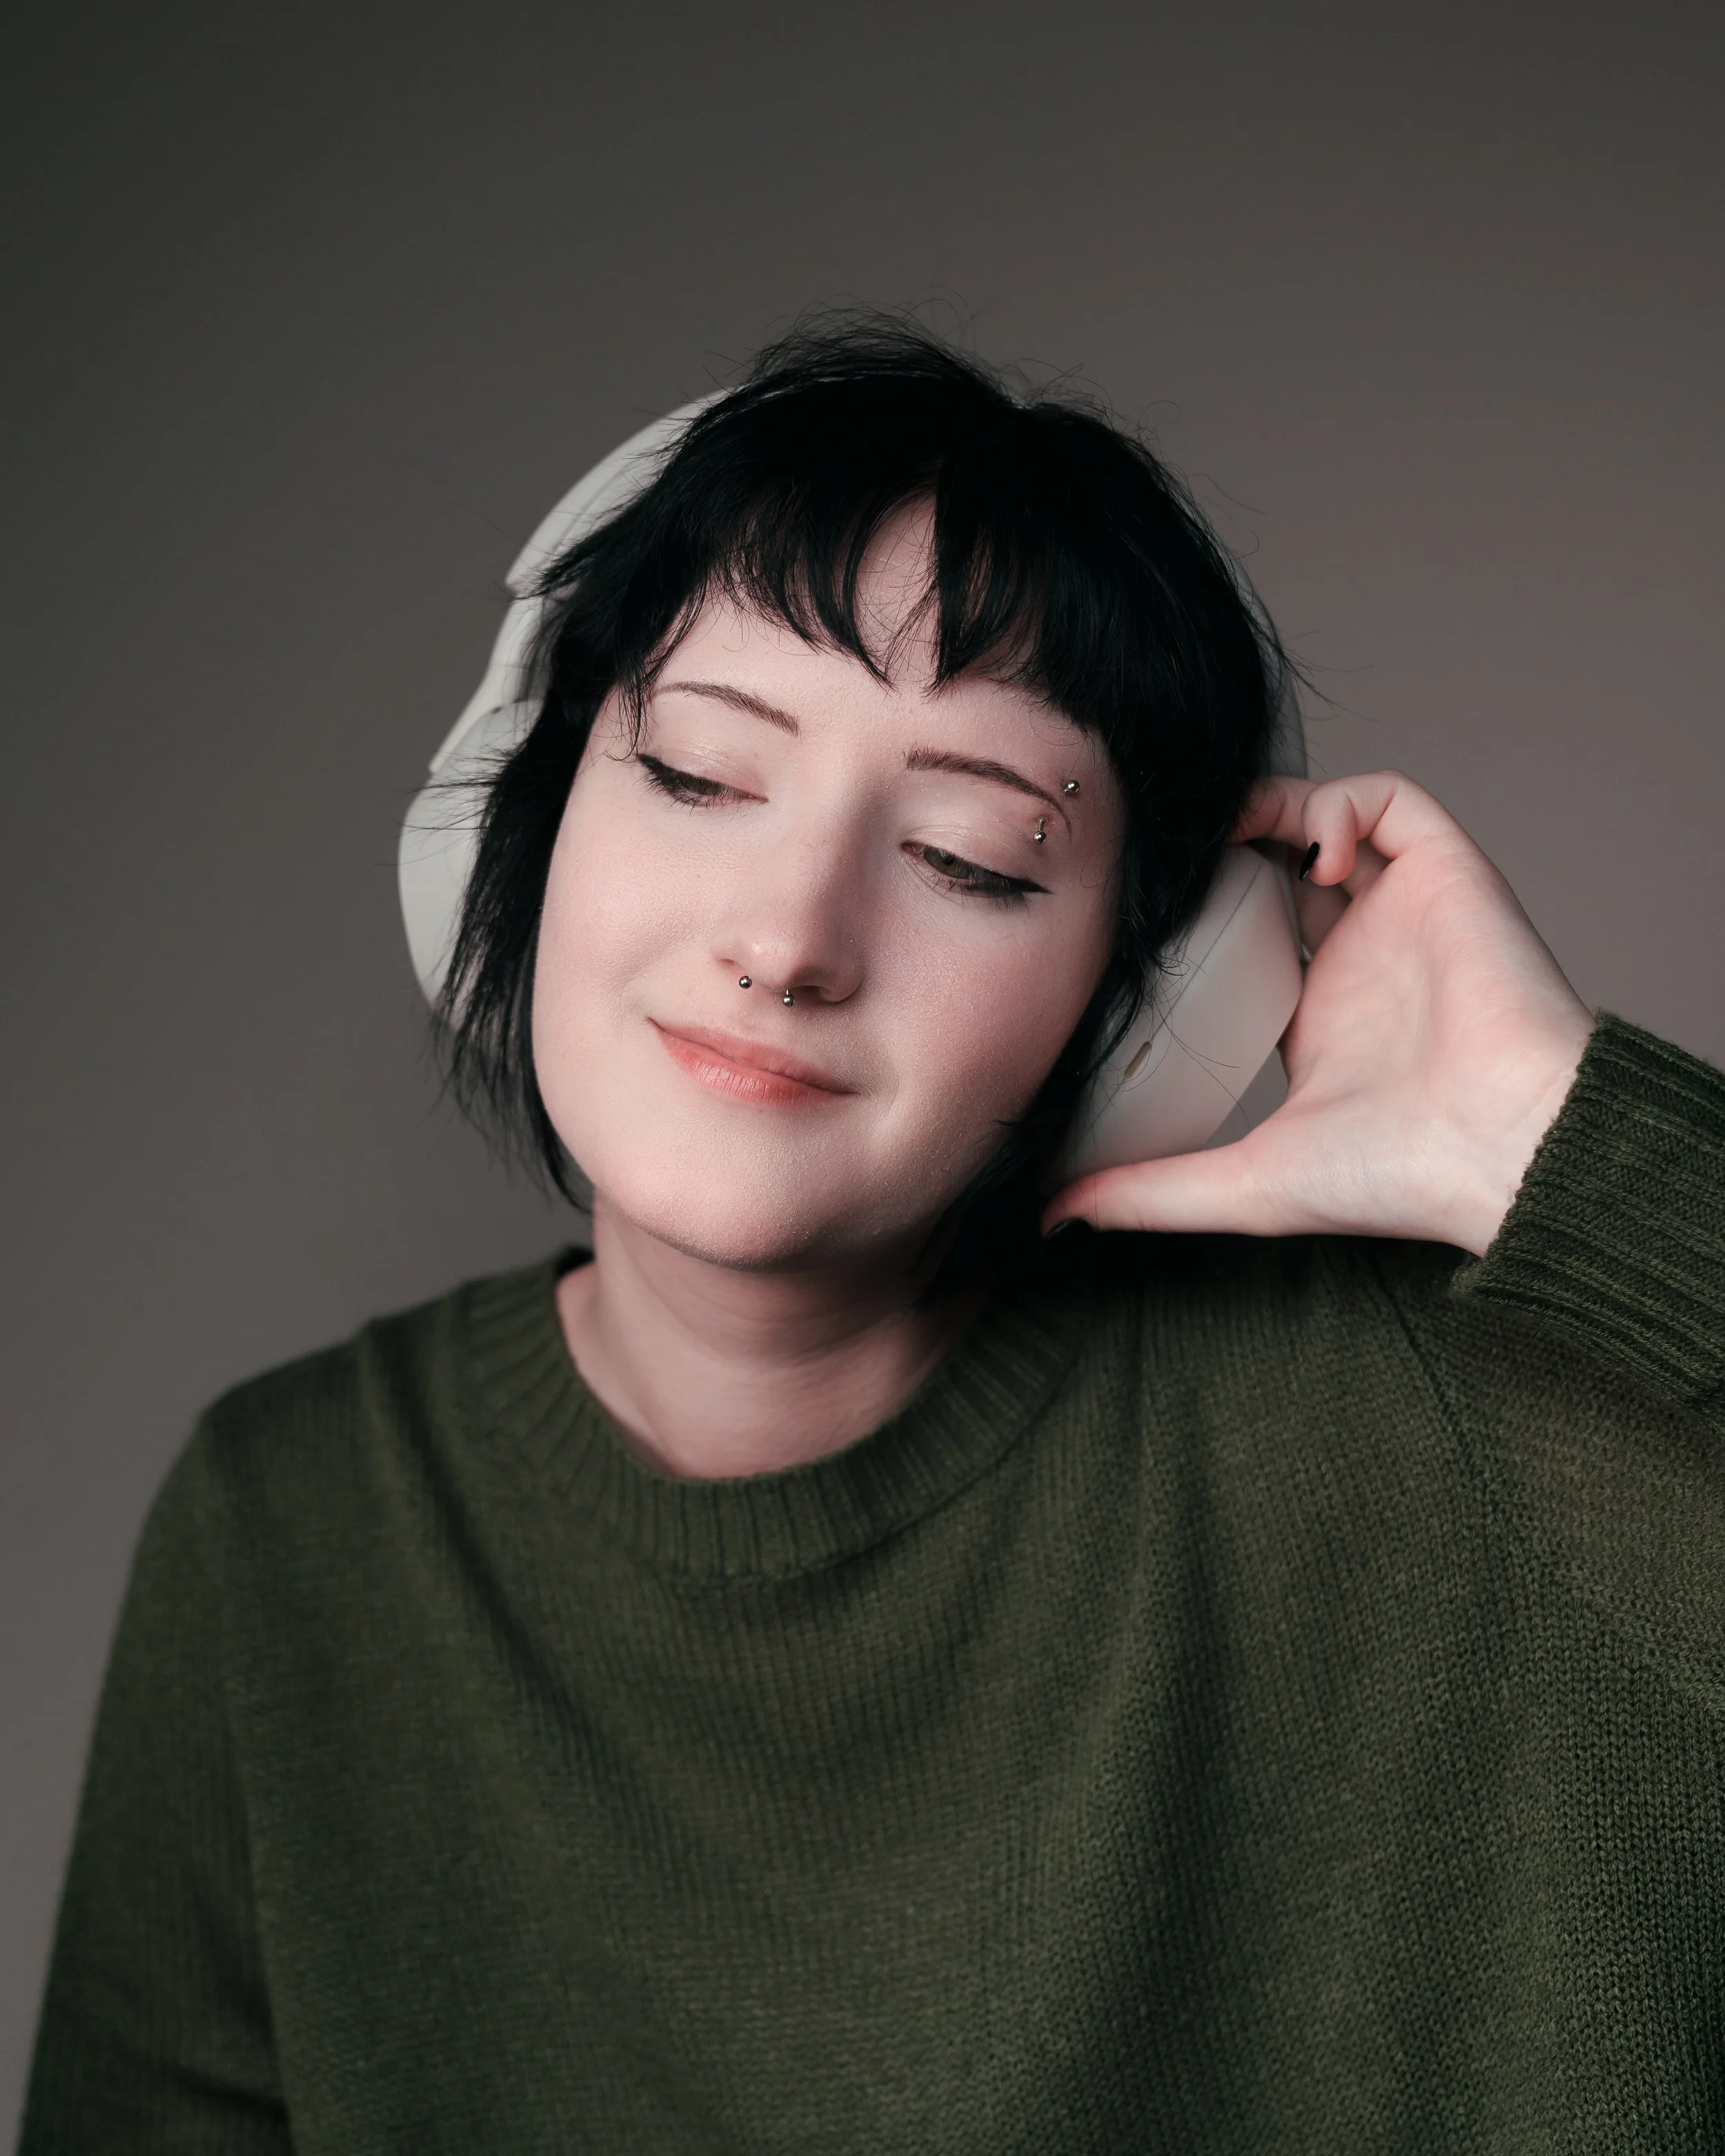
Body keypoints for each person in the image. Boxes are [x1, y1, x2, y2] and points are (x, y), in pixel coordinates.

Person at [21, 317, 1725, 2153]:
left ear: (1149, 1005)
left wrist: (1550, 1134)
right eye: (694, 769)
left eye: (974, 859)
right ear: (520, 802)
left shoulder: (1458, 1440)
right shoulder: (286, 1527)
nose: (790, 936)